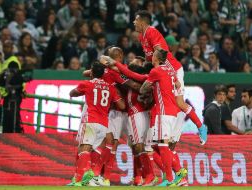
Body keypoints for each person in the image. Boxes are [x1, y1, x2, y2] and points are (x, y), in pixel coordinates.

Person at [133, 10, 207, 145]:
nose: (134, 22)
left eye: (136, 20)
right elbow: (149, 58)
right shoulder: (141, 37)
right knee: (158, 99)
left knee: (179, 102)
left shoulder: (151, 32)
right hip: (161, 71)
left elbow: (162, 55)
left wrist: (174, 77)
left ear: (142, 22)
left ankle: (201, 126)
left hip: (172, 69)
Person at [67, 61, 125, 186]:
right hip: (103, 124)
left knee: (84, 148)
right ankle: (90, 177)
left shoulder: (87, 84)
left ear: (91, 72)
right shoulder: (111, 88)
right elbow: (121, 105)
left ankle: (79, 181)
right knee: (94, 150)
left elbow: (72, 93)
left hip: (90, 120)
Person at [140, 49, 186, 186]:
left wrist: (150, 86)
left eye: (153, 55)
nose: (151, 56)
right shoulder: (171, 71)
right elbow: (177, 85)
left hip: (163, 112)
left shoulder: (156, 71)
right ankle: (178, 175)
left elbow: (143, 88)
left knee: (163, 145)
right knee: (159, 144)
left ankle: (170, 179)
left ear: (156, 58)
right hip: (172, 112)